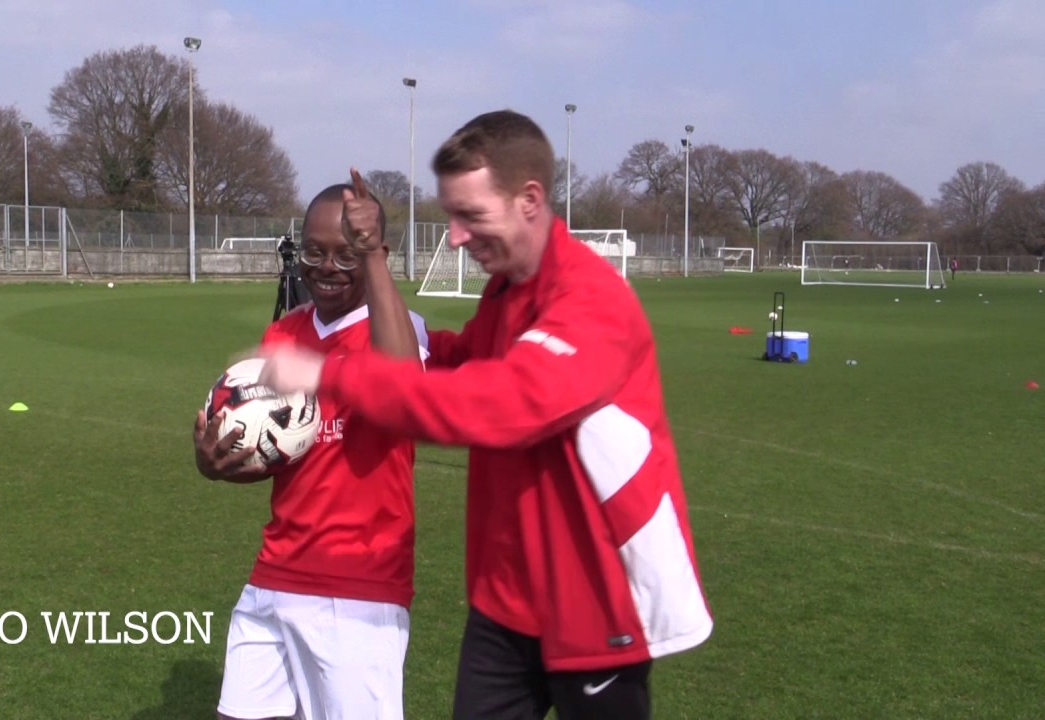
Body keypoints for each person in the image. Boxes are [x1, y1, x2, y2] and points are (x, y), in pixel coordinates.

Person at [260, 110, 713, 720]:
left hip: (596, 602)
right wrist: (412, 338)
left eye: (470, 216)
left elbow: (501, 404)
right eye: (451, 215)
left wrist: (329, 371)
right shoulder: (506, 290)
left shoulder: (591, 301)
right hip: (504, 601)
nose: (455, 236)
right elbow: (463, 357)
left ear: (529, 200)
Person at [196, 172, 427, 720]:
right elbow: (275, 451)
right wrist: (217, 462)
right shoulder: (284, 334)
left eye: (347, 255)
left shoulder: (398, 328)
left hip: (358, 588)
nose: (327, 268)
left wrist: (371, 258)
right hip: (276, 572)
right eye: (316, 252)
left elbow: (402, 387)